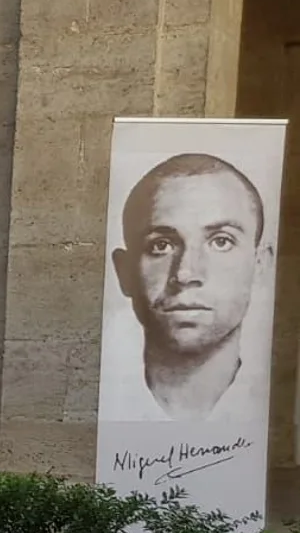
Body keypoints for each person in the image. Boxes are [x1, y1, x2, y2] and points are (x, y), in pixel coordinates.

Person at [107, 152, 271, 422]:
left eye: (221, 241)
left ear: (260, 265)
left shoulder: (269, 414)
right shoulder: (109, 405)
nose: (185, 273)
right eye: (161, 245)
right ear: (124, 272)